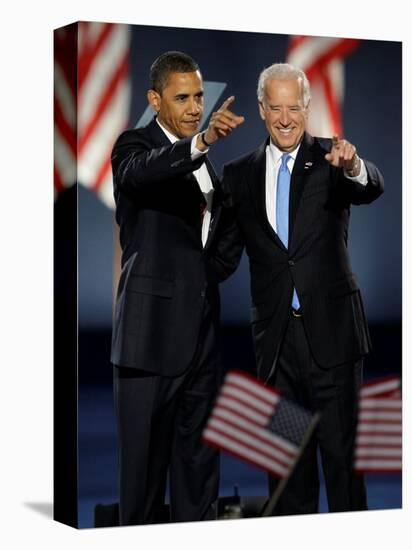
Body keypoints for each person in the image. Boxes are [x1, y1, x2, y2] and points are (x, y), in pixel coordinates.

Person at [222, 63, 384, 514]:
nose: (286, 117)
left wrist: (353, 166)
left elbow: (372, 185)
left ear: (308, 107)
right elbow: (221, 256)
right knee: (288, 476)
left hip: (332, 343)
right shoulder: (239, 175)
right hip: (277, 352)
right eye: (277, 107)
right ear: (261, 109)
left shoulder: (334, 158)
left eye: (295, 107)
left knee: (343, 471)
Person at [110, 51, 244, 525]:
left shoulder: (205, 162)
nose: (193, 107)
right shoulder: (134, 146)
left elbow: (218, 238)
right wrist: (202, 141)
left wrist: (210, 275)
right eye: (182, 97)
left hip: (202, 341)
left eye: (199, 97)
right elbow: (141, 173)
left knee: (198, 476)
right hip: (148, 342)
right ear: (155, 99)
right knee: (143, 483)